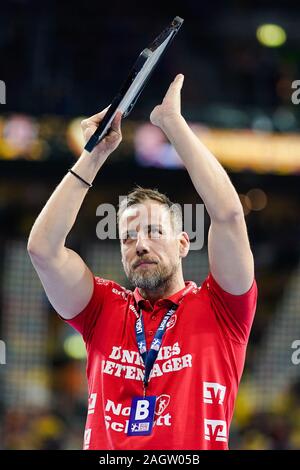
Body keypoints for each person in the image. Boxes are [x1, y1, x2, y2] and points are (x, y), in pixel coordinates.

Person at [27, 74, 257, 450]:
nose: (141, 244)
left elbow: (229, 216)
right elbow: (43, 249)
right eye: (129, 237)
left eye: (153, 231)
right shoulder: (101, 308)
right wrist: (95, 153)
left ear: (183, 243)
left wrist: (172, 124)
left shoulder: (223, 309)